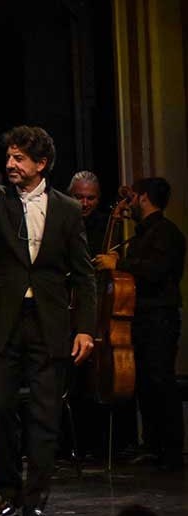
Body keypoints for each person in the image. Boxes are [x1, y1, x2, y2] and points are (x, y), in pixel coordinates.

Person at [0, 126, 96, 516]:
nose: (10, 164)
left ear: (41, 164)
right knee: (0, 410)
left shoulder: (67, 208)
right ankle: (9, 493)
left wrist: (85, 328)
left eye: (19, 158)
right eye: (9, 157)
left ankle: (36, 501)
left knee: (46, 416)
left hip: (48, 324)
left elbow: (84, 274)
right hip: (4, 322)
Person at [94, 177, 184, 472]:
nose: (128, 203)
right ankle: (153, 447)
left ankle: (170, 452)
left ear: (143, 197)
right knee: (145, 384)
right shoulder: (142, 235)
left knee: (160, 381)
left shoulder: (166, 232)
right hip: (142, 319)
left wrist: (118, 264)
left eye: (132, 197)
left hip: (159, 318)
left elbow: (155, 272)